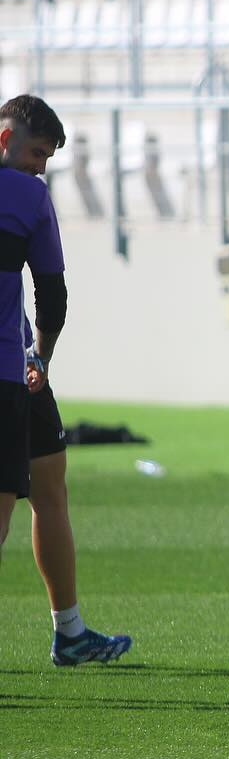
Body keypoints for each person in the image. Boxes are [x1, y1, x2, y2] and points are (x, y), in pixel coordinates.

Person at [0, 94, 132, 665]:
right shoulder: (28, 197)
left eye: (48, 157)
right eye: (35, 152)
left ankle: (70, 631)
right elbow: (52, 294)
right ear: (5, 140)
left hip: (19, 367)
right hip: (13, 372)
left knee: (50, 482)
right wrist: (42, 356)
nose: (40, 166)